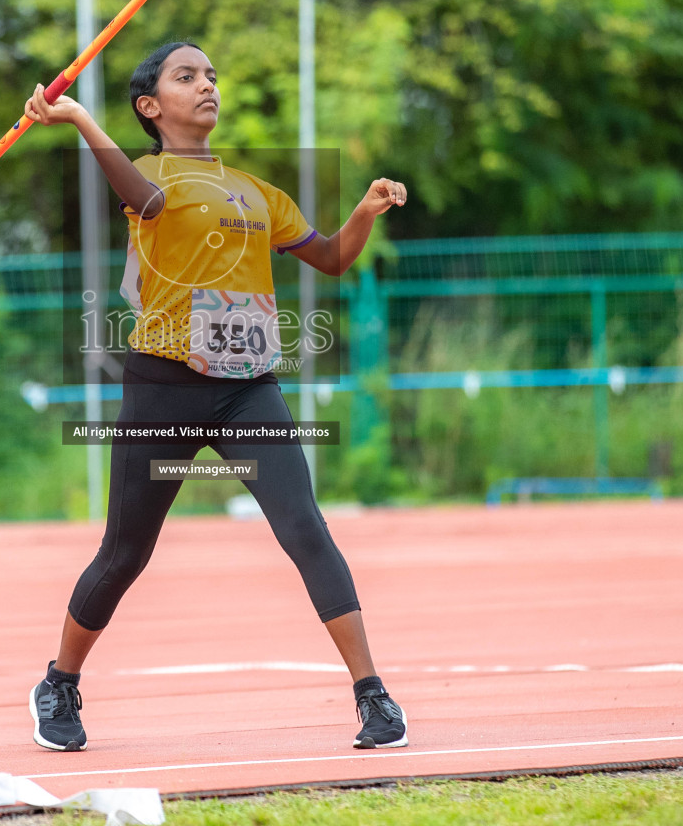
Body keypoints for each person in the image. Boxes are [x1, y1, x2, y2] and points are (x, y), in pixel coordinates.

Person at [20, 41, 409, 752]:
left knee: (305, 529)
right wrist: (77, 116)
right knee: (125, 554)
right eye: (186, 76)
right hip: (162, 391)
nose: (207, 86)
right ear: (149, 106)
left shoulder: (258, 193)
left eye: (211, 76)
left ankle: (372, 695)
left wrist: (365, 208)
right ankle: (60, 682)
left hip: (246, 392)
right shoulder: (148, 173)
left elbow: (331, 257)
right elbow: (146, 201)